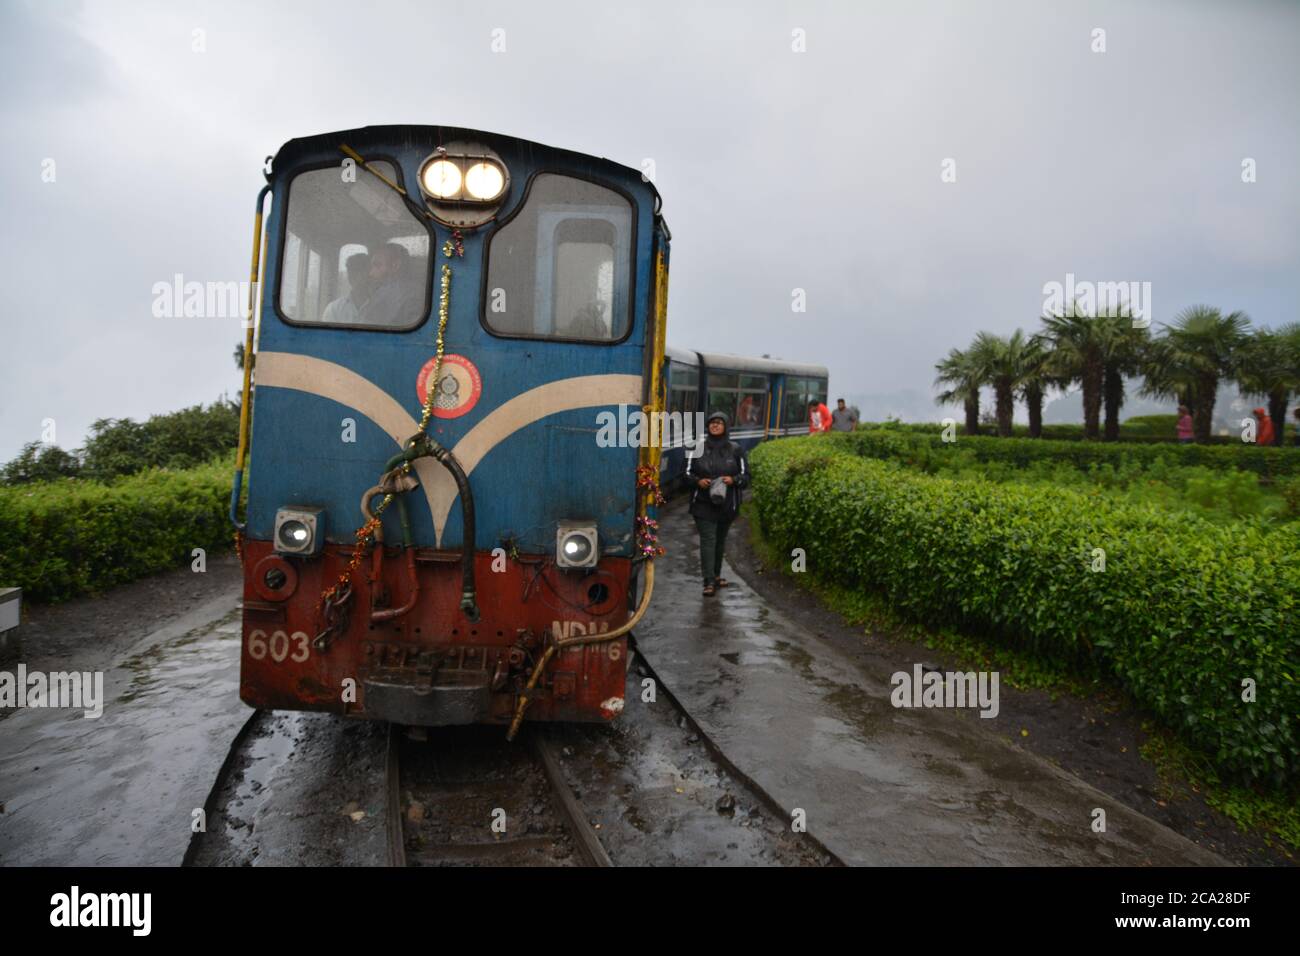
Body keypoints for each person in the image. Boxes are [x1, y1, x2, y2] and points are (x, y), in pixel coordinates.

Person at [685, 411, 750, 597]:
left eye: (719, 423)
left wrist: (734, 480)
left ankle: (716, 575)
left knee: (720, 540)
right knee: (708, 540)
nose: (715, 425)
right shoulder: (696, 448)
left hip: (727, 504)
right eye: (712, 423)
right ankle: (708, 581)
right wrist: (698, 481)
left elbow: (746, 477)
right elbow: (686, 474)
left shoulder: (736, 450)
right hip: (703, 504)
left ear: (726, 427)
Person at [361, 243, 422, 327]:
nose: (371, 273)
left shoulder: (412, 295)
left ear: (395, 265)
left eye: (377, 265)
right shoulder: (381, 290)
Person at [321, 252, 370, 324]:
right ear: (349, 277)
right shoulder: (334, 309)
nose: (359, 278)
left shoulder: (382, 307)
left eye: (362, 272)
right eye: (354, 272)